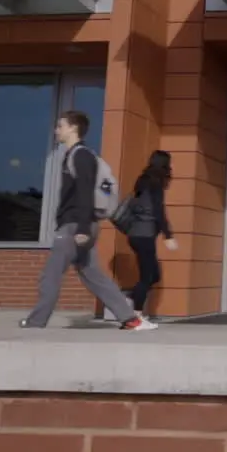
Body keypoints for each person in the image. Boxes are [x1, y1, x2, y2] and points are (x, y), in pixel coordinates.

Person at [21, 111, 156, 331]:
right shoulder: (76, 155)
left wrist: (82, 227)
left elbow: (85, 192)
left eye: (60, 126)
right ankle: (130, 319)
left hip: (76, 224)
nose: (57, 130)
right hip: (83, 223)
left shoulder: (81, 155)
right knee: (92, 274)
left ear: (73, 128)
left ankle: (36, 321)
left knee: (51, 274)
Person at [123, 150, 178, 319]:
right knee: (147, 276)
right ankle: (137, 315)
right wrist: (168, 235)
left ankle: (132, 297)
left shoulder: (142, 181)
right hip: (144, 234)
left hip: (135, 234)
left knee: (154, 275)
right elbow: (158, 211)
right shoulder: (155, 183)